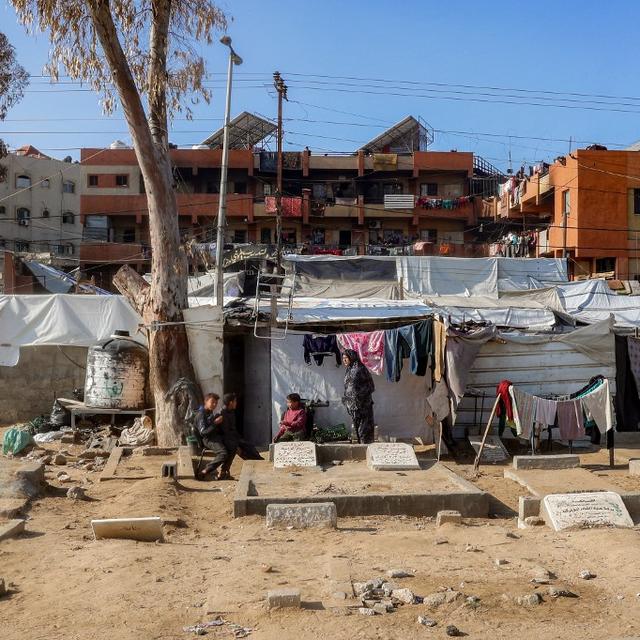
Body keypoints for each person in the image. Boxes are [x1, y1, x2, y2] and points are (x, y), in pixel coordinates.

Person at [218, 392, 263, 480]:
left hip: (231, 437)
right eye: (235, 401)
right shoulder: (222, 413)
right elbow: (225, 431)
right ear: (231, 402)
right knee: (236, 449)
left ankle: (256, 461)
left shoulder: (231, 412)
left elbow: (233, 429)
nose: (236, 403)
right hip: (224, 439)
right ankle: (223, 472)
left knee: (249, 446)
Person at [341, 349, 375, 444]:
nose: (344, 360)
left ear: (352, 358)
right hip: (352, 405)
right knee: (357, 429)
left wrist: (359, 396)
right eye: (343, 358)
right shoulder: (348, 370)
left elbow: (371, 386)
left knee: (364, 429)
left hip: (363, 405)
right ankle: (361, 448)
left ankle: (366, 448)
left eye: (346, 358)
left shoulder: (361, 369)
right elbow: (348, 387)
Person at [195, 393, 227, 480]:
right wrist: (215, 423)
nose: (214, 405)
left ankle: (223, 472)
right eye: (212, 402)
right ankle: (205, 470)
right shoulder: (201, 414)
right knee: (223, 453)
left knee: (232, 445)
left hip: (214, 437)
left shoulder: (209, 412)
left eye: (216, 403)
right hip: (207, 439)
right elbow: (204, 432)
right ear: (206, 401)